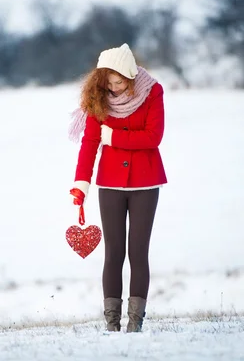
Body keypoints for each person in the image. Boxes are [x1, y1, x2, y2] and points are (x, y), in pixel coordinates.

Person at [68, 43, 167, 333]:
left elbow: (153, 137)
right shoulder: (99, 99)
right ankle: (112, 323)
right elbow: (89, 144)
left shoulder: (153, 92)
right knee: (113, 253)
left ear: (130, 75)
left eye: (119, 82)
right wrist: (81, 183)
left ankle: (134, 323)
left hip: (146, 183)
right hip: (109, 184)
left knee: (138, 252)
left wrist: (113, 137)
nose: (114, 88)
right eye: (108, 82)